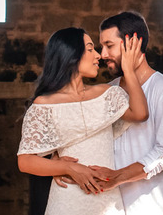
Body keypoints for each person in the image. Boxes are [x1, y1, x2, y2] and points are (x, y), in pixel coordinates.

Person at [18, 27, 149, 214]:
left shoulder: (106, 94)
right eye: (90, 49)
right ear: (71, 54)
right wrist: (68, 167)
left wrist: (128, 70)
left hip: (107, 198)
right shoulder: (44, 104)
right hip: (66, 199)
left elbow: (140, 113)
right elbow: (25, 161)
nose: (98, 56)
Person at [95, 11, 163, 215]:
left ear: (132, 43)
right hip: (109, 206)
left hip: (150, 207)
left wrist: (118, 176)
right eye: (102, 46)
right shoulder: (108, 90)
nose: (103, 54)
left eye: (109, 45)